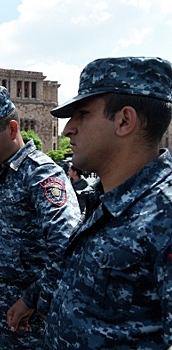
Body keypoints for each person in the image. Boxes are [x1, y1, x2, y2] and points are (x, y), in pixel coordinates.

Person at [44, 56, 172, 349]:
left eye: (83, 114)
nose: (67, 129)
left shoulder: (164, 213)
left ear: (125, 120)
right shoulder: (104, 199)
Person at [0, 86, 81, 349]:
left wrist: (33, 300)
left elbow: (66, 247)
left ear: (12, 129)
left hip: (25, 311)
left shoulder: (42, 175)